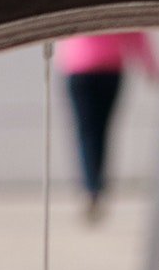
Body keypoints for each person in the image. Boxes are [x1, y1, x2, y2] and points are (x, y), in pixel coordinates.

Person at [50, 32, 149, 218]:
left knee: (85, 131)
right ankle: (97, 186)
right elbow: (134, 29)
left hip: (78, 65)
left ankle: (90, 188)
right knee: (102, 131)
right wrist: (149, 63)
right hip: (111, 66)